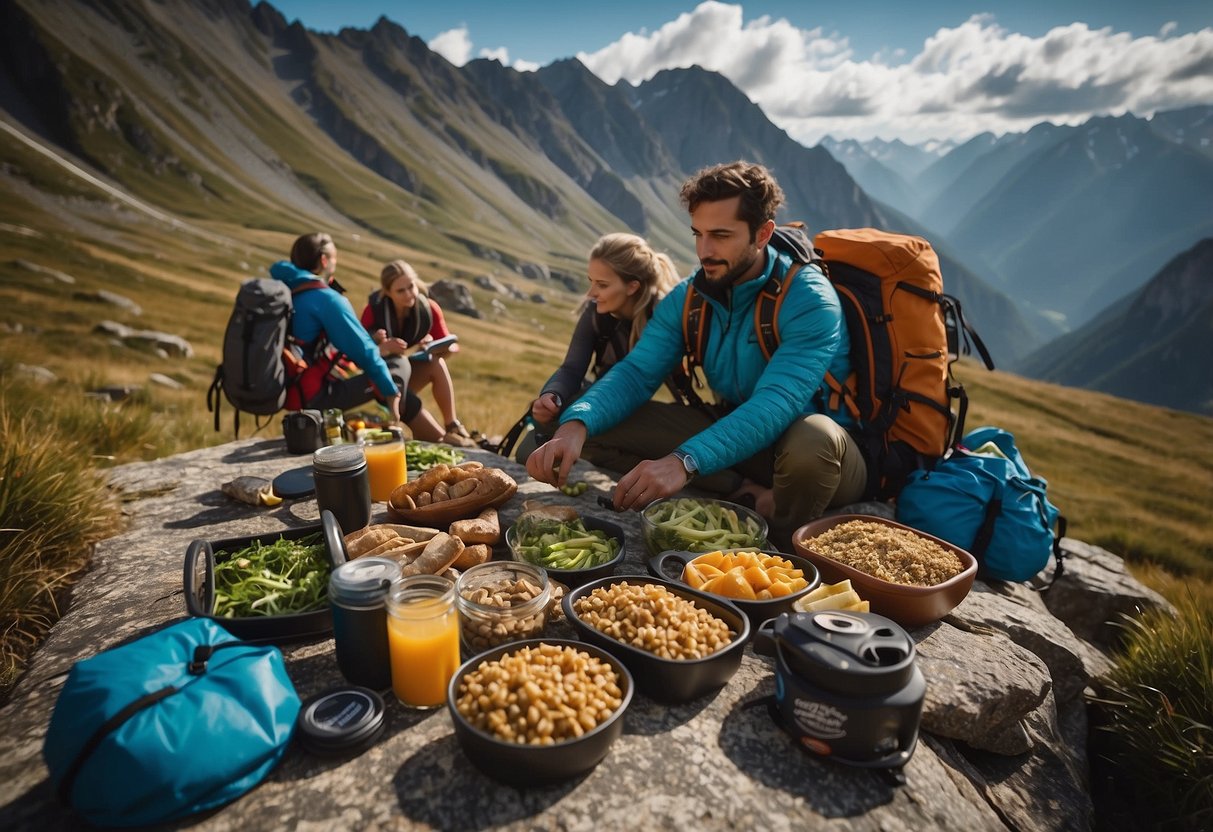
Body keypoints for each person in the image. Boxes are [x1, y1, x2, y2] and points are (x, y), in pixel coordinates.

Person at [525, 161, 868, 546]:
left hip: (824, 459)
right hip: (742, 441)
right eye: (698, 234)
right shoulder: (691, 296)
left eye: (720, 235)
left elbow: (777, 403)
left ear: (762, 233)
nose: (705, 251)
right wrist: (577, 424)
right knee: (572, 416)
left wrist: (684, 462)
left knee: (813, 440)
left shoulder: (809, 298)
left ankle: (781, 542)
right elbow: (637, 372)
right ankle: (744, 492)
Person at [515, 232, 681, 462]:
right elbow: (572, 368)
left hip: (639, 414)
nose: (591, 294)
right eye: (591, 281)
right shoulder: (595, 313)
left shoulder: (664, 317)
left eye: (602, 285)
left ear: (632, 287)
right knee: (529, 450)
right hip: (596, 408)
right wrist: (553, 396)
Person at [270, 233, 446, 441]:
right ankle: (436, 438)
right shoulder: (327, 299)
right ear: (325, 261)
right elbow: (364, 352)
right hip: (316, 396)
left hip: (293, 390)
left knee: (387, 374)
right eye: (334, 257)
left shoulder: (286, 289)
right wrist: (391, 393)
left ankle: (436, 435)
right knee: (396, 365)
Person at [361, 260, 472, 446]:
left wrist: (438, 346)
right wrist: (383, 348)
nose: (409, 294)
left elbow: (451, 347)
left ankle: (452, 424)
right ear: (387, 292)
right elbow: (356, 357)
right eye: (400, 291)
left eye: (411, 286)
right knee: (439, 440)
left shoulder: (429, 309)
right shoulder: (373, 311)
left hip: (408, 380)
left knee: (437, 363)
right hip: (381, 384)